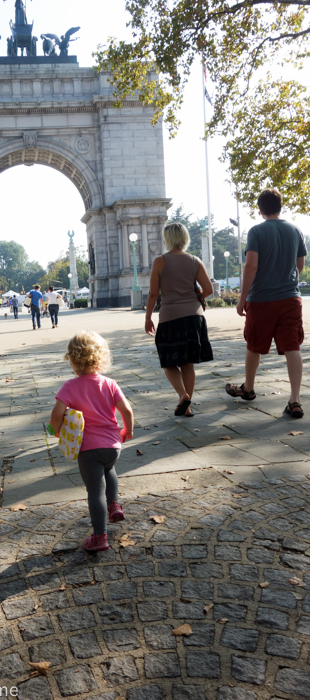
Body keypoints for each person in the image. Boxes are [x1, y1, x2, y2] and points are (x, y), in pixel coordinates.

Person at [226, 187, 307, 418]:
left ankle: (248, 388)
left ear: (260, 210)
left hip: (261, 299)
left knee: (254, 345)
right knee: (293, 347)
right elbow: (299, 265)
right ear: (280, 207)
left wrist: (242, 298)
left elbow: (251, 266)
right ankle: (295, 400)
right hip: (290, 298)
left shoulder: (256, 232)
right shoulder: (296, 230)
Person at [49, 331, 134, 552]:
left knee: (95, 491)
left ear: (73, 361)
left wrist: (57, 431)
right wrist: (128, 430)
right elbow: (127, 410)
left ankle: (99, 537)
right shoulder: (110, 383)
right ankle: (114, 504)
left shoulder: (70, 386)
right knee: (110, 470)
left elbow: (56, 415)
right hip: (113, 445)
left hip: (89, 450)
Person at [145, 222, 214, 416]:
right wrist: (197, 297)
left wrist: (148, 317)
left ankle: (183, 396)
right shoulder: (195, 261)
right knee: (188, 364)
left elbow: (153, 294)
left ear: (167, 239)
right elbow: (209, 290)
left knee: (168, 362)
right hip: (194, 317)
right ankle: (188, 407)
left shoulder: (160, 261)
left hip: (170, 317)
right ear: (185, 238)